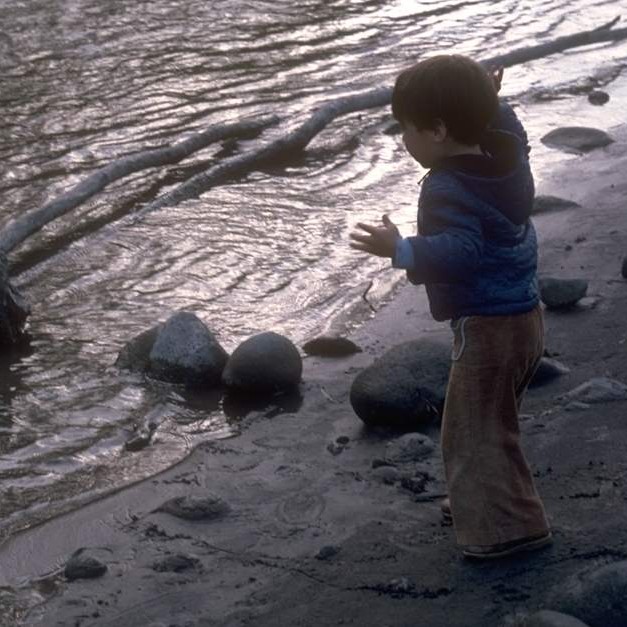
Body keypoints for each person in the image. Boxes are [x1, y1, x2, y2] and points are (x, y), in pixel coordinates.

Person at [349, 54, 551, 560]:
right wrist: (494, 102)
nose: (403, 140)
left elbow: (462, 252)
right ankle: (484, 504)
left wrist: (401, 249)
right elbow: (515, 132)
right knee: (492, 423)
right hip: (526, 316)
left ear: (438, 130)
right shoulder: (505, 158)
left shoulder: (445, 186)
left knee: (472, 433)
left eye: (407, 129)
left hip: (488, 326)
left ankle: (506, 530)